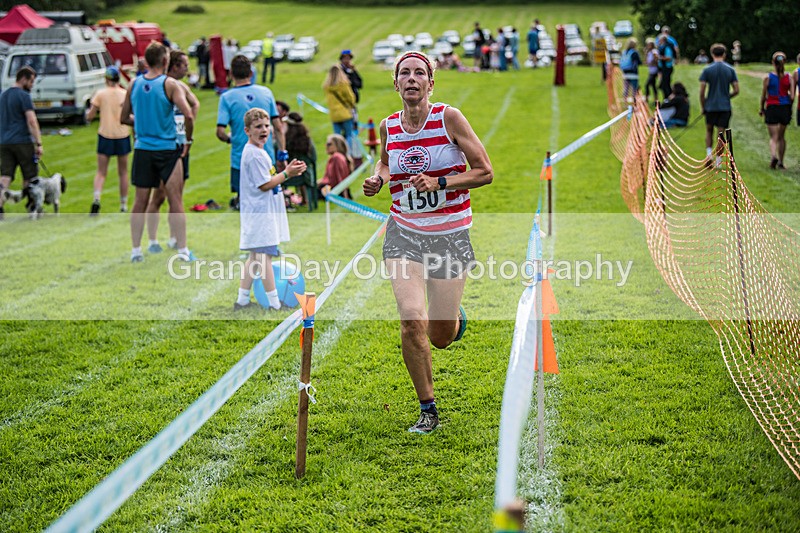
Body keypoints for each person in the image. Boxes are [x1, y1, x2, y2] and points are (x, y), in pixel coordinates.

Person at [362, 51, 493, 434]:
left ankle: (453, 321)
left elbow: (485, 172)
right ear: (396, 83)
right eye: (405, 73)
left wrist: (440, 182)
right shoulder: (389, 126)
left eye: (420, 72)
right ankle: (428, 409)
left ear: (431, 83)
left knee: (440, 336)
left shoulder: (449, 118)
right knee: (410, 321)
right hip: (404, 233)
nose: (412, 79)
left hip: (450, 236)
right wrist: (378, 178)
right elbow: (387, 162)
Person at [121, 42, 195, 263]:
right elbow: (189, 115)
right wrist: (188, 140)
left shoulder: (133, 84)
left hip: (143, 149)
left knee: (139, 202)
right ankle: (182, 250)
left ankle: (136, 250)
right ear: (165, 61)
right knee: (176, 200)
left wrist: (142, 122)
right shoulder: (170, 84)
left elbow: (124, 118)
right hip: (168, 150)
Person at [234, 107, 306, 311]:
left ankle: (242, 300)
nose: (264, 129)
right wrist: (287, 174)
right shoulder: (255, 155)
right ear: (247, 130)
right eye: (258, 126)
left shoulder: (259, 152)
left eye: (266, 125)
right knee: (263, 256)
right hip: (259, 214)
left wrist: (286, 171)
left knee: (254, 257)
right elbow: (264, 184)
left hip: (261, 212)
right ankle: (274, 303)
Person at [145, 50, 200, 253]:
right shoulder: (161, 85)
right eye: (184, 65)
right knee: (158, 196)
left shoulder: (181, 86)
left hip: (180, 147)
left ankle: (174, 238)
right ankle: (152, 240)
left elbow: (195, 104)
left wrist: (185, 129)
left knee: (176, 196)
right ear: (174, 66)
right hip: (162, 147)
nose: (187, 69)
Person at [217, 54, 285, 210]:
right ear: (251, 73)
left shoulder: (227, 97)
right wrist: (282, 153)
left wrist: (232, 139)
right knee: (270, 200)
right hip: (267, 158)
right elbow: (278, 127)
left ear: (231, 74)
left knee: (245, 203)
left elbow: (220, 131)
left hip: (240, 159)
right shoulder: (266, 93)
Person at [85, 66, 131, 215]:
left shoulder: (100, 94)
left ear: (106, 79)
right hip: (122, 134)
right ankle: (123, 204)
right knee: (123, 172)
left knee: (101, 172)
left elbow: (90, 116)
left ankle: (97, 198)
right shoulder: (125, 94)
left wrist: (88, 113)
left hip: (105, 134)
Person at [0, 66, 43, 220]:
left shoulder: (3, 96)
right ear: (23, 79)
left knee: (5, 176)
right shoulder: (24, 96)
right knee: (30, 176)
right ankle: (31, 206)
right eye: (31, 82)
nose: (32, 85)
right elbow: (31, 120)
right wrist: (39, 143)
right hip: (22, 141)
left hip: (4, 142)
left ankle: (0, 207)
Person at [699, 43, 739, 164]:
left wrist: (703, 106)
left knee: (709, 130)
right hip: (724, 106)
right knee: (721, 133)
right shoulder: (730, 70)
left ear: (712, 54)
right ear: (724, 54)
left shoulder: (707, 70)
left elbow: (702, 92)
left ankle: (709, 154)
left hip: (711, 105)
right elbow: (736, 90)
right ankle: (718, 160)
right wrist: (727, 96)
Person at [760, 52, 795, 169]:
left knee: (773, 137)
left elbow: (764, 96)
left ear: (772, 63)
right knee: (782, 136)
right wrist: (789, 107)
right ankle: (781, 161)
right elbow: (792, 97)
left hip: (772, 107)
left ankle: (773, 156)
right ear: (784, 62)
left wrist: (762, 109)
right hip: (784, 107)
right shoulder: (789, 77)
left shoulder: (768, 77)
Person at [284, 111, 317, 209]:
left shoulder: (284, 142)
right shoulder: (307, 141)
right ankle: (307, 200)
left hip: (287, 176)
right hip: (306, 175)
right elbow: (313, 158)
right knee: (303, 168)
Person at [322, 64, 357, 155]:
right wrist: (351, 105)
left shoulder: (327, 87)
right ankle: (348, 153)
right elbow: (350, 97)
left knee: (336, 137)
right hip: (345, 113)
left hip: (334, 115)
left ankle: (337, 154)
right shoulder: (343, 84)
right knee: (349, 135)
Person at [318, 133, 352, 199]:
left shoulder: (336, 157)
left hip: (332, 191)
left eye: (329, 144)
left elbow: (340, 178)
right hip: (335, 190)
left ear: (337, 145)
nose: (326, 146)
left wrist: (345, 196)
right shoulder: (341, 156)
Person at [657, 34, 676, 101]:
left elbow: (669, 58)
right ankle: (667, 99)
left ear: (662, 40)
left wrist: (659, 57)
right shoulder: (662, 46)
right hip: (663, 68)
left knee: (666, 84)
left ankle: (669, 98)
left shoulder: (667, 47)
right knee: (663, 85)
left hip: (667, 68)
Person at [644, 38, 659, 104]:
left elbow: (656, 60)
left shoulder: (654, 51)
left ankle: (646, 99)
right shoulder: (649, 52)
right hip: (651, 71)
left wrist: (651, 63)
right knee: (653, 86)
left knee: (647, 85)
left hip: (654, 71)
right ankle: (656, 100)